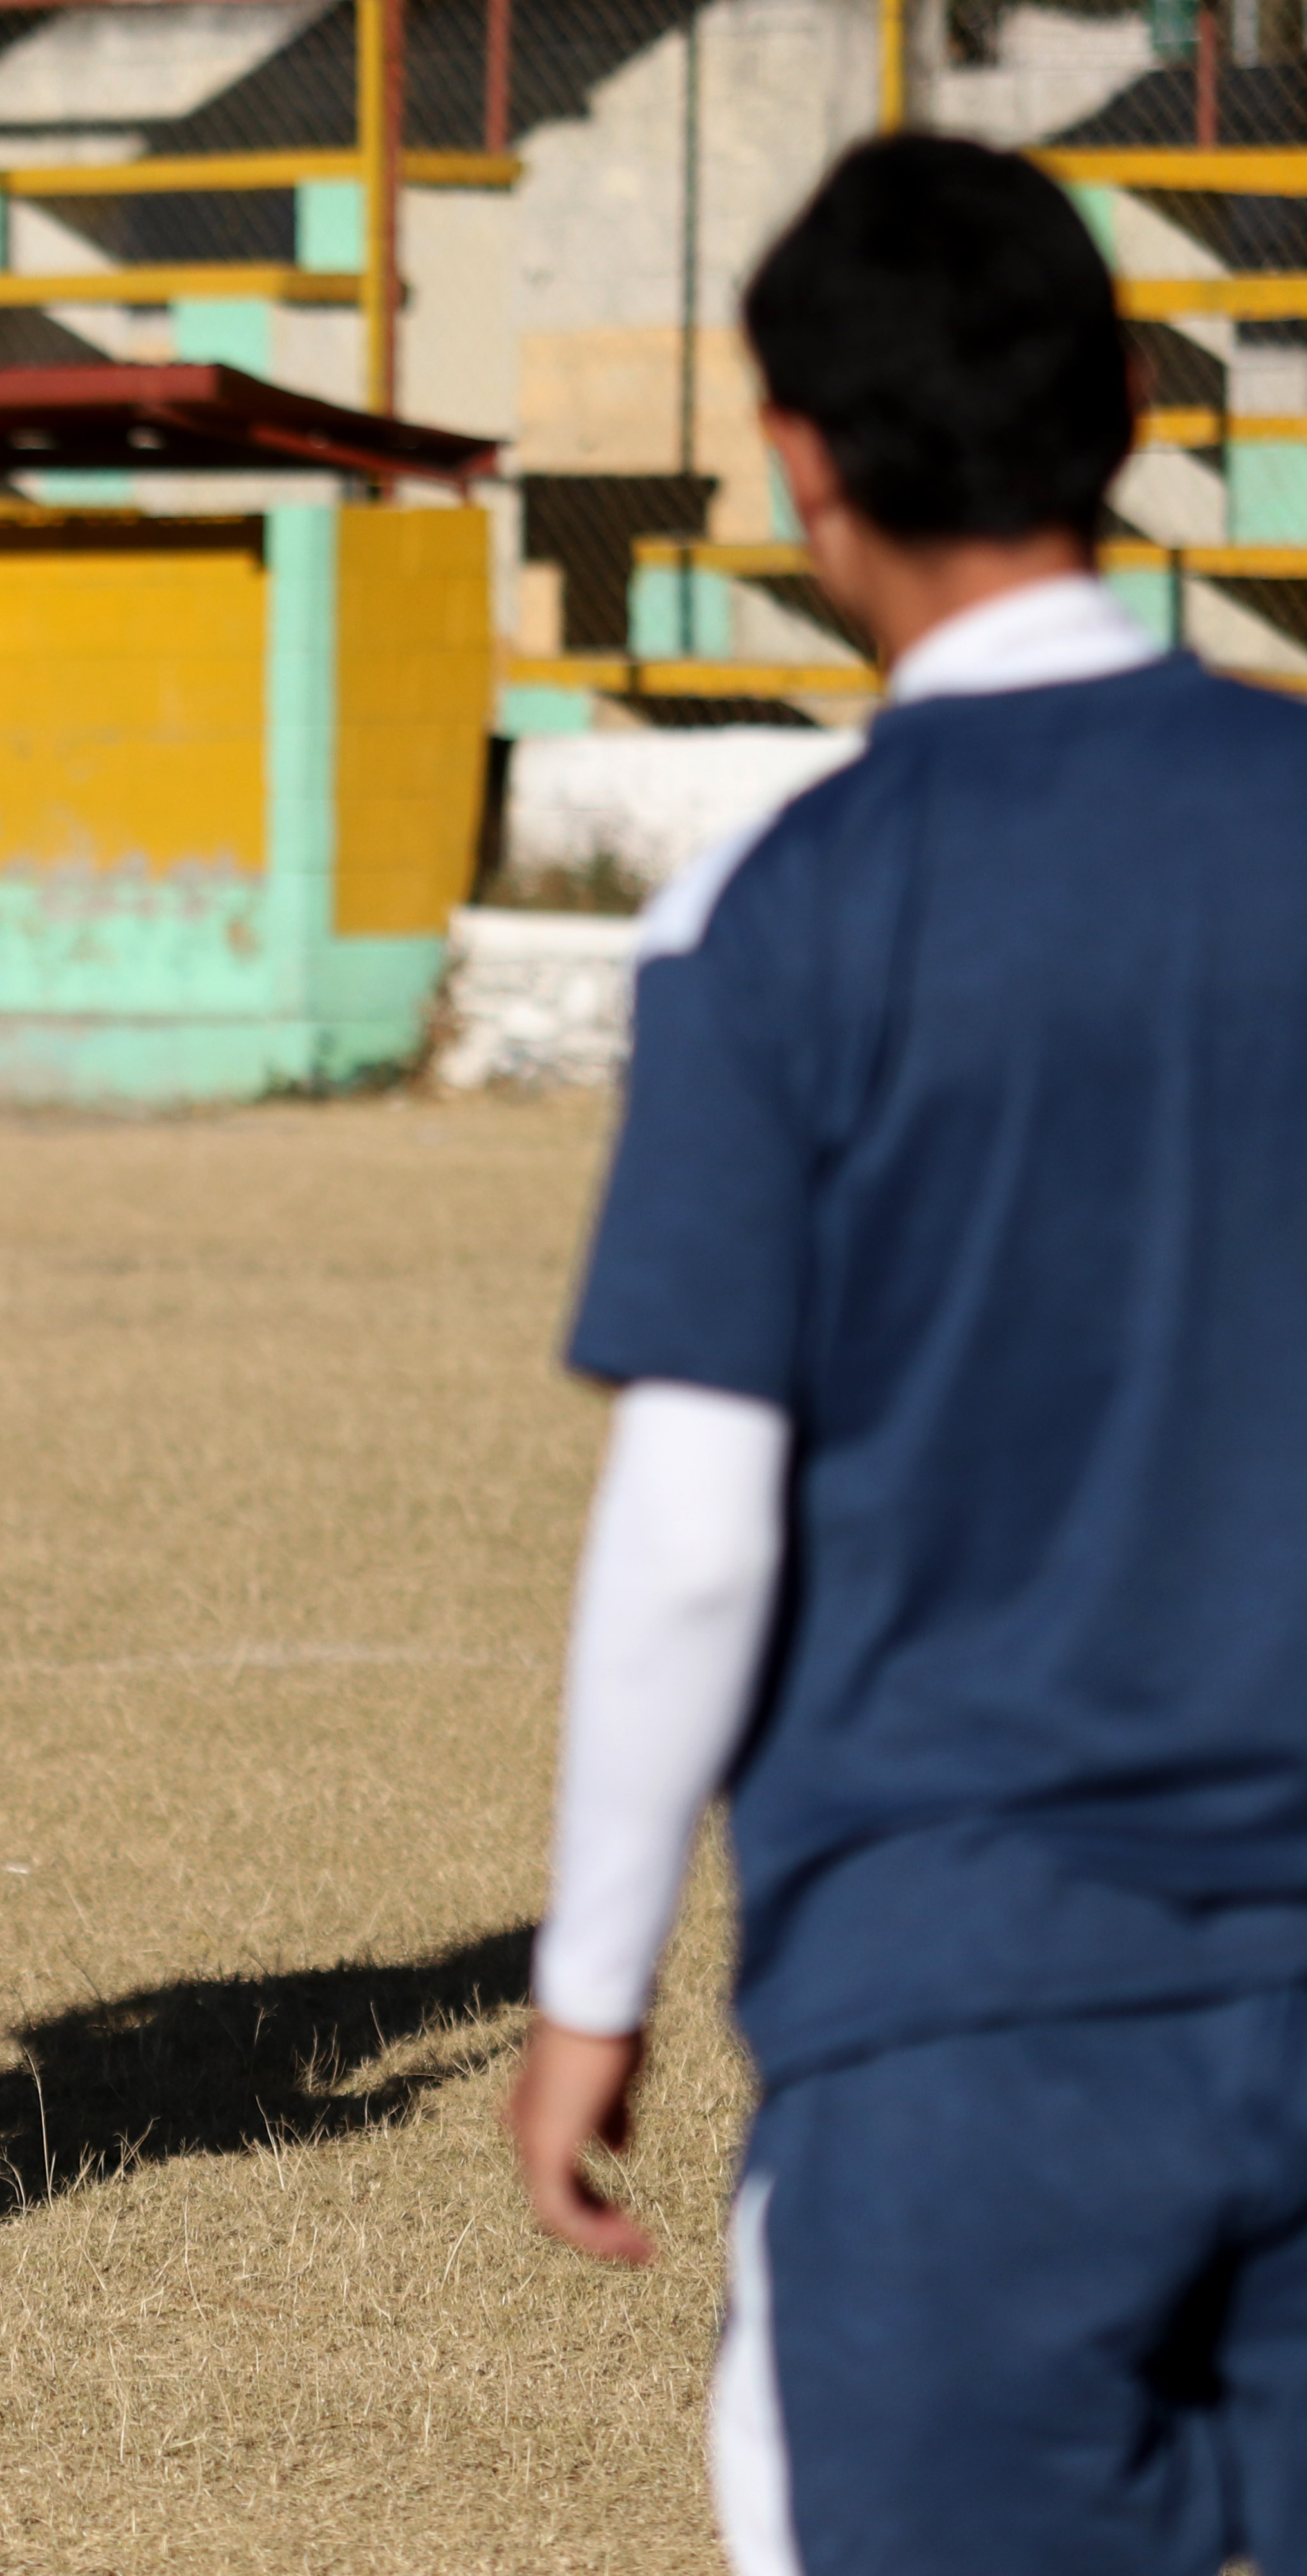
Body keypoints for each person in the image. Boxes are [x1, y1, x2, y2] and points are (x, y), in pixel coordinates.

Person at [508, 133, 1307, 2571]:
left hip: (973, 2017)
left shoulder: (795, 900)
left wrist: (591, 1979)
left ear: (805, 461)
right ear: (1128, 418)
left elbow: (696, 1525)